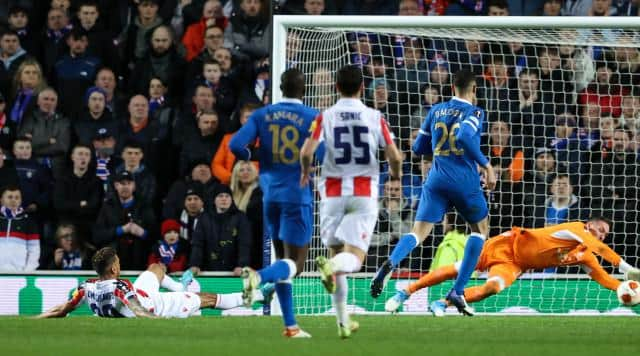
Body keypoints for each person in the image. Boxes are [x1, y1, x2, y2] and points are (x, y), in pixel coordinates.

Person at [370, 69, 496, 317]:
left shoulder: (436, 110)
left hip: (436, 179)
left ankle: (391, 263)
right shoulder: (475, 111)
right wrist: (487, 165)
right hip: (464, 181)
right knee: (480, 231)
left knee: (418, 233)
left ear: (451, 88)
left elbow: (418, 147)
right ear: (474, 91)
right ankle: (457, 291)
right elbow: (465, 137)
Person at [299, 64, 402, 338]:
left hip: (331, 193)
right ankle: (332, 272)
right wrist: (396, 176)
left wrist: (304, 173)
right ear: (362, 88)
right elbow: (394, 155)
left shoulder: (326, 115)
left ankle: (343, 321)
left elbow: (307, 151)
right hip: (363, 193)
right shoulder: (374, 116)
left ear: (336, 87)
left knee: (337, 256)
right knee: (353, 258)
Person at [384, 218, 640, 315]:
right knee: (458, 269)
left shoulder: (586, 254)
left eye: (605, 234)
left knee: (492, 288)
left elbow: (600, 275)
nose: (602, 235)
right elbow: (603, 250)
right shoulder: (576, 230)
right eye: (601, 230)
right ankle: (405, 291)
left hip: (516, 264)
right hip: (503, 245)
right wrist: (625, 266)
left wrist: (621, 287)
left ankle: (443, 303)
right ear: (590, 225)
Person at [228, 68, 318, 338]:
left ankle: (290, 326)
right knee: (296, 264)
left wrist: (254, 153)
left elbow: (235, 145)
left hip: (270, 196)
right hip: (297, 196)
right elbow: (321, 152)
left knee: (283, 260)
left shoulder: (261, 114)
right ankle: (257, 277)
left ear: (279, 87)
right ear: (304, 89)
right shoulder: (313, 117)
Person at [37, 246, 272, 318]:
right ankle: (257, 296)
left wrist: (37, 317)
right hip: (157, 304)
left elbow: (63, 309)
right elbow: (138, 309)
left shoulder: (85, 287)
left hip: (142, 292)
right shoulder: (121, 287)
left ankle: (181, 284)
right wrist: (157, 320)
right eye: (118, 261)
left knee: (155, 268)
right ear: (115, 268)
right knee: (208, 300)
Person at [0, 185, 40, 271]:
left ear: (21, 201)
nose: (13, 200)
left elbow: (34, 249)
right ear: (1, 200)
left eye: (17, 198)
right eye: (10, 197)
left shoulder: (28, 221)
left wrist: (27, 271)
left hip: (19, 274)